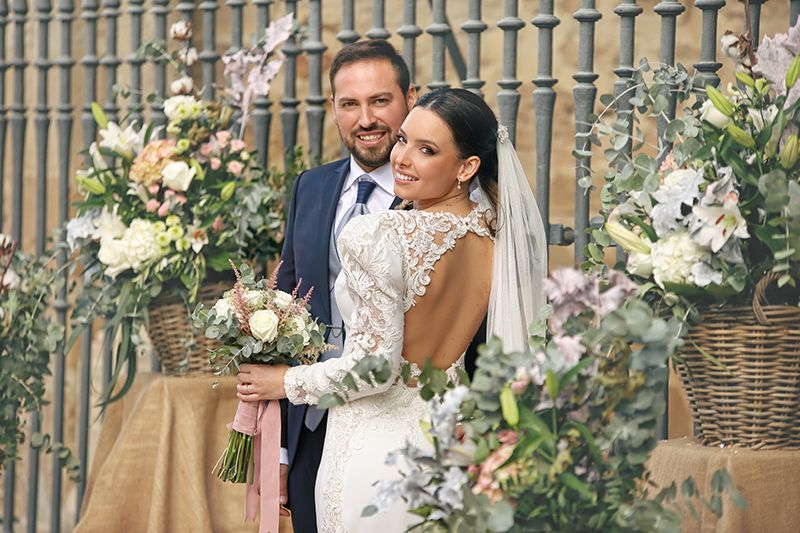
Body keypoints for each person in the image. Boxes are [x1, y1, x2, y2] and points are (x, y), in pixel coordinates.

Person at [236, 88, 547, 532]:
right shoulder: (495, 240)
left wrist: (283, 381)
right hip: (443, 455)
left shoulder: (377, 234)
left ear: (467, 167)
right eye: (403, 140)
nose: (401, 157)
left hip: (372, 458)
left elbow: (375, 370)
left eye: (427, 150)